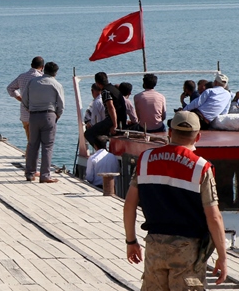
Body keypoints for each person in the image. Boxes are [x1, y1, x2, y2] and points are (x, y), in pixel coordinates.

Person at [123, 111, 227, 289]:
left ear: (170, 133)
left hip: (155, 246)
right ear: (198, 137)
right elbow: (214, 217)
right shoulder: (201, 167)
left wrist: (131, 242)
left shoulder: (145, 160)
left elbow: (129, 205)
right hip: (188, 250)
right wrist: (222, 257)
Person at [22, 61, 64, 183]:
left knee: (32, 145)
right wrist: (57, 115)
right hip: (49, 115)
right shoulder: (56, 85)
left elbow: (24, 99)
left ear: (44, 69)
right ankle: (45, 175)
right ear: (56, 73)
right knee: (47, 146)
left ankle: (30, 173)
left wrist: (30, 109)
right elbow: (61, 105)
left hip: (34, 115)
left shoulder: (33, 82)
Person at [84, 72, 127, 150]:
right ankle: (103, 149)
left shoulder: (105, 91)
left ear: (97, 83)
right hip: (122, 119)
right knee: (99, 133)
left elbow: (111, 107)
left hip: (113, 120)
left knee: (88, 133)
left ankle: (102, 152)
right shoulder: (114, 89)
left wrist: (114, 125)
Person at [6, 56, 44, 141]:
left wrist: (21, 99)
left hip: (24, 113)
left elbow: (10, 88)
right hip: (36, 113)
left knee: (30, 138)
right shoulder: (41, 78)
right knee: (35, 140)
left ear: (31, 65)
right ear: (42, 67)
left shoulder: (22, 76)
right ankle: (31, 154)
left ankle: (29, 154)